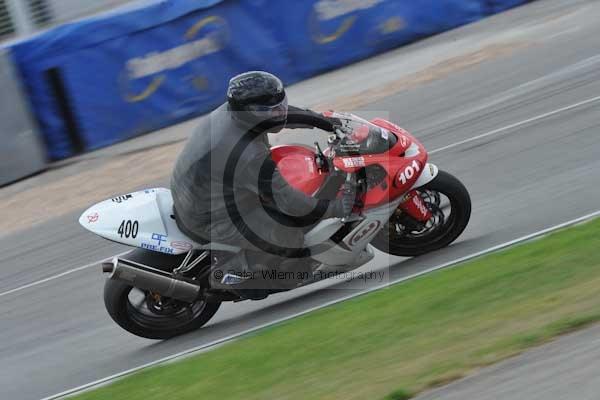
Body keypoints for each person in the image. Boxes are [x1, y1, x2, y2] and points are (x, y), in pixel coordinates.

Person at [171, 71, 355, 299]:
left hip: (201, 192)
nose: (279, 112)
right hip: (211, 216)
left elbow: (282, 115)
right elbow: (290, 202)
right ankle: (232, 274)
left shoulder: (234, 113)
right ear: (249, 112)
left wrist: (323, 121)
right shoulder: (245, 152)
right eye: (269, 109)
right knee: (292, 235)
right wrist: (337, 207)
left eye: (280, 103)